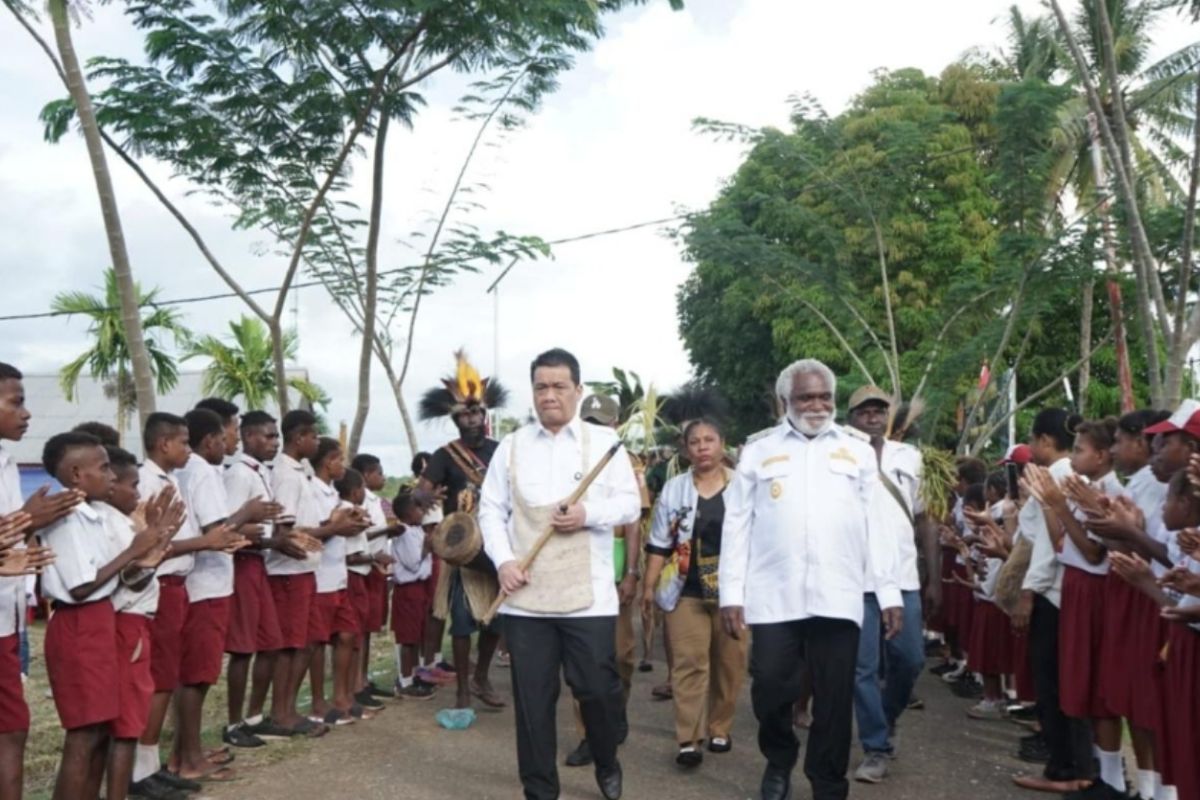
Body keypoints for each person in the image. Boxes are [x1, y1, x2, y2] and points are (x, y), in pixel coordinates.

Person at [719, 359, 901, 800]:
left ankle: (827, 783)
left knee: (835, 701)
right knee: (770, 689)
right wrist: (730, 593)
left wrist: (889, 591)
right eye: (806, 397)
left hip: (838, 597)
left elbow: (877, 524)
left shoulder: (857, 449)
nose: (817, 405)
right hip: (773, 596)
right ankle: (779, 758)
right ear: (786, 402)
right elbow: (737, 523)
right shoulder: (759, 451)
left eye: (824, 397)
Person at [480, 347, 641, 800]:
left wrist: (588, 512)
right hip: (526, 599)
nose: (549, 395)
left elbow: (630, 504)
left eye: (559, 386)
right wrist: (504, 562)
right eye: (541, 387)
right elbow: (491, 513)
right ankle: (539, 789)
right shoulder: (510, 448)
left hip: (588, 596)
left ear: (577, 390)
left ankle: (606, 758)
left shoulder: (603, 446)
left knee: (597, 690)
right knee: (532, 703)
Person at [38, 433, 166, 800]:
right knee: (83, 735)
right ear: (77, 474)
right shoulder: (68, 518)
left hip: (98, 620)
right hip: (79, 623)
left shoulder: (91, 516)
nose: (112, 476)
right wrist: (133, 552)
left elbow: (108, 579)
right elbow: (81, 586)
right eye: (104, 467)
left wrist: (145, 553)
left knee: (97, 734)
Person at [843, 386, 937, 783]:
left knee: (910, 658)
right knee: (861, 668)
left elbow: (926, 517)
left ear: (888, 415)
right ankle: (876, 746)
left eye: (878, 408)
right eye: (863, 409)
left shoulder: (910, 457)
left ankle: (887, 714)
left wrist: (934, 575)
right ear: (850, 416)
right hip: (855, 577)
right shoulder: (840, 455)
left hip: (902, 578)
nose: (872, 414)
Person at [642, 415, 746, 769]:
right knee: (689, 663)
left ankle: (720, 726)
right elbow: (658, 542)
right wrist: (648, 585)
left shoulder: (743, 485)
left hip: (733, 594)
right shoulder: (675, 489)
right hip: (684, 589)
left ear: (723, 444)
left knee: (729, 663)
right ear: (686, 450)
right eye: (695, 442)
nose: (702, 447)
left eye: (709, 440)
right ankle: (689, 738)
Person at [417, 351, 508, 709]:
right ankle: (463, 693)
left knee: (497, 619)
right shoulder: (444, 456)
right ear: (456, 420)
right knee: (461, 622)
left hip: (496, 546)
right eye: (465, 414)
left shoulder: (501, 451)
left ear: (485, 415)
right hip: (462, 550)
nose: (472, 419)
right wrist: (424, 496)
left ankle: (482, 675)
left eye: (477, 412)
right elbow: (421, 491)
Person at [0, 362, 73, 800]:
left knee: (13, 729)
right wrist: (28, 519)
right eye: (16, 402)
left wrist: (28, 529)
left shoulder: (7, 463)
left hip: (7, 622)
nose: (27, 413)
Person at [1011, 408, 1092, 794]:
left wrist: (1029, 591)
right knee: (1057, 681)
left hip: (1052, 592)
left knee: (1053, 683)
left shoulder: (1057, 474)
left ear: (1044, 440)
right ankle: (1070, 762)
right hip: (1058, 590)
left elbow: (1048, 544)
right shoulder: (1061, 473)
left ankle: (1064, 767)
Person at [170, 408, 251, 782]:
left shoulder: (195, 470)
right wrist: (247, 515)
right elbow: (217, 531)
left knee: (196, 674)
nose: (231, 442)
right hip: (206, 585)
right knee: (196, 677)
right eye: (227, 435)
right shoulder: (201, 470)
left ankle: (186, 751)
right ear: (209, 440)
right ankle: (188, 759)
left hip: (205, 583)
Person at [565, 394, 643, 769]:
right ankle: (588, 735)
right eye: (589, 422)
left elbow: (632, 525)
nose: (595, 430)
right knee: (585, 664)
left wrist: (631, 573)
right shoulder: (566, 462)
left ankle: (617, 709)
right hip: (579, 576)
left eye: (602, 423)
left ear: (615, 427)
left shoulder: (627, 464)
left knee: (622, 656)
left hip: (614, 577)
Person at [102, 445, 185, 800]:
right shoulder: (111, 523)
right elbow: (123, 576)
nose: (138, 493)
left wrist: (154, 543)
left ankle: (140, 774)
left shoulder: (123, 521)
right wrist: (147, 551)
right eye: (132, 486)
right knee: (124, 718)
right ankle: (128, 783)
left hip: (138, 614)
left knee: (135, 707)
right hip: (128, 618)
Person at [223, 410, 306, 745]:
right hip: (243, 561)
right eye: (268, 436)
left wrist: (274, 541)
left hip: (259, 562)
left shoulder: (260, 472)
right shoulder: (239, 474)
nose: (275, 443)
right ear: (248, 437)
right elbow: (226, 527)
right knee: (243, 648)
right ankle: (233, 724)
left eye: (276, 437)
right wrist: (272, 540)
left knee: (270, 642)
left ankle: (255, 716)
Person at [308, 437, 370, 725]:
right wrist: (338, 526)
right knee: (318, 642)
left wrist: (353, 522)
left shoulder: (334, 495)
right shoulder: (311, 490)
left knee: (347, 634)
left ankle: (342, 695)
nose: (342, 465)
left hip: (338, 574)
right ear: (327, 461)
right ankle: (319, 701)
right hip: (320, 576)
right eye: (339, 459)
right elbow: (311, 531)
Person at [349, 453, 399, 701]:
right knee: (358, 629)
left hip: (375, 568)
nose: (383, 477)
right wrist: (387, 530)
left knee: (369, 628)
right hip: (362, 567)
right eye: (379, 472)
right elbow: (358, 536)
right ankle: (355, 683)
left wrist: (388, 533)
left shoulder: (376, 501)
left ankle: (363, 678)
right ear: (366, 475)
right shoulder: (357, 502)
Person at [389, 488, 438, 699]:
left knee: (418, 634)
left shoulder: (418, 531)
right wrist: (426, 549)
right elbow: (412, 563)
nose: (421, 512)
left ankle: (416, 674)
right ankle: (405, 680)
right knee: (408, 638)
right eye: (418, 508)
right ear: (408, 513)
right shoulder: (404, 534)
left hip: (421, 587)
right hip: (408, 589)